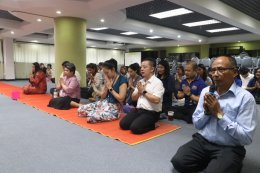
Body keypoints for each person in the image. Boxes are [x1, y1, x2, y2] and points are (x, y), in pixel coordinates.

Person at [171, 55, 257, 173]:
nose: (215, 74)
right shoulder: (206, 91)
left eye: (221, 69)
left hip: (229, 147)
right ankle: (215, 162)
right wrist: (207, 113)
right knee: (178, 162)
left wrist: (219, 115)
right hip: (203, 141)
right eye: (213, 70)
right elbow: (196, 124)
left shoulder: (246, 98)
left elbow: (246, 138)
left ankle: (226, 163)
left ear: (234, 72)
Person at [119, 58, 165, 134]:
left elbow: (157, 100)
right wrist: (139, 92)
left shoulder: (158, 82)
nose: (142, 69)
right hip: (139, 110)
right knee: (123, 124)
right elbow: (133, 98)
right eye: (141, 67)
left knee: (135, 128)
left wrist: (143, 91)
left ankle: (154, 124)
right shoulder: (141, 81)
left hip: (151, 112)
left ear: (152, 69)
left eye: (145, 67)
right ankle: (140, 121)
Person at [77, 59, 127, 123]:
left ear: (113, 69)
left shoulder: (122, 80)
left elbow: (121, 99)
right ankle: (97, 111)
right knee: (80, 110)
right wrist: (106, 86)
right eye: (104, 73)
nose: (106, 75)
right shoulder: (108, 78)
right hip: (104, 103)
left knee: (92, 117)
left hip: (115, 107)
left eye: (107, 73)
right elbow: (103, 96)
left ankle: (97, 112)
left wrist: (110, 88)